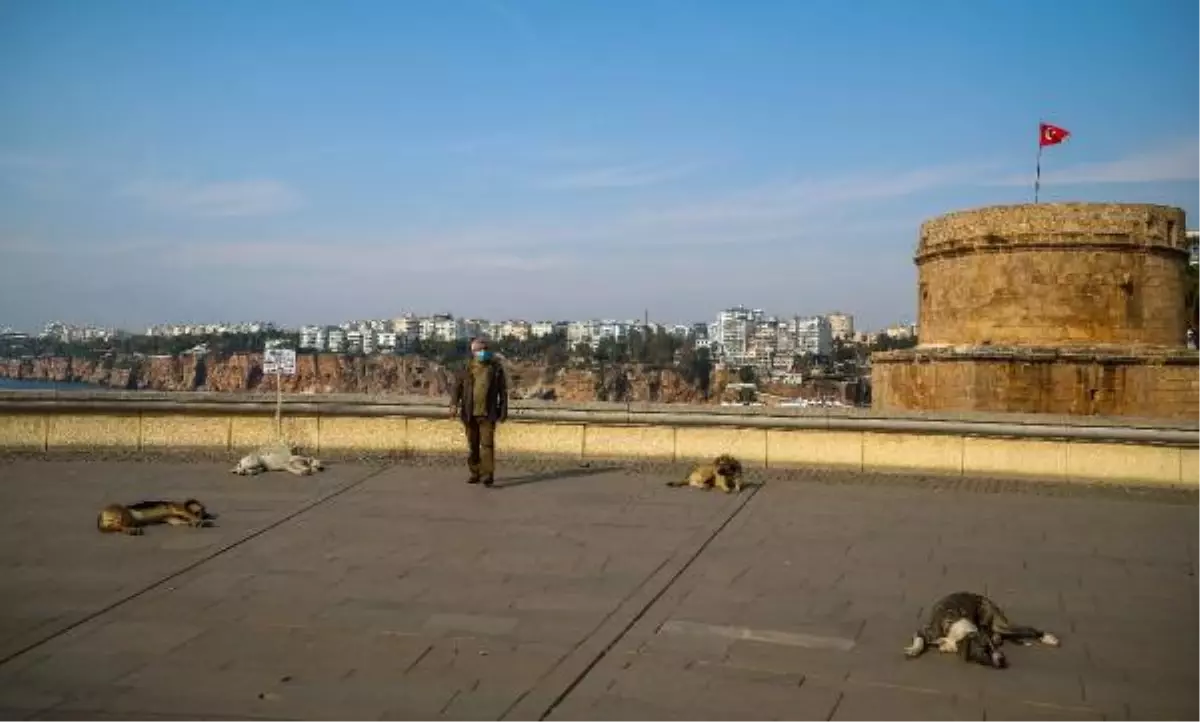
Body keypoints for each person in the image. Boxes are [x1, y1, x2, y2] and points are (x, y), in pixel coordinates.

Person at [449, 337, 508, 486]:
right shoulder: (465, 367)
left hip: (488, 413)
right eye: (480, 350)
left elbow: (503, 391)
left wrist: (503, 410)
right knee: (473, 445)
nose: (484, 352)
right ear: (473, 352)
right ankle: (475, 472)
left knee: (487, 445)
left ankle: (488, 474)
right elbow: (457, 388)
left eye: (485, 349)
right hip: (469, 413)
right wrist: (453, 404)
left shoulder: (495, 368)